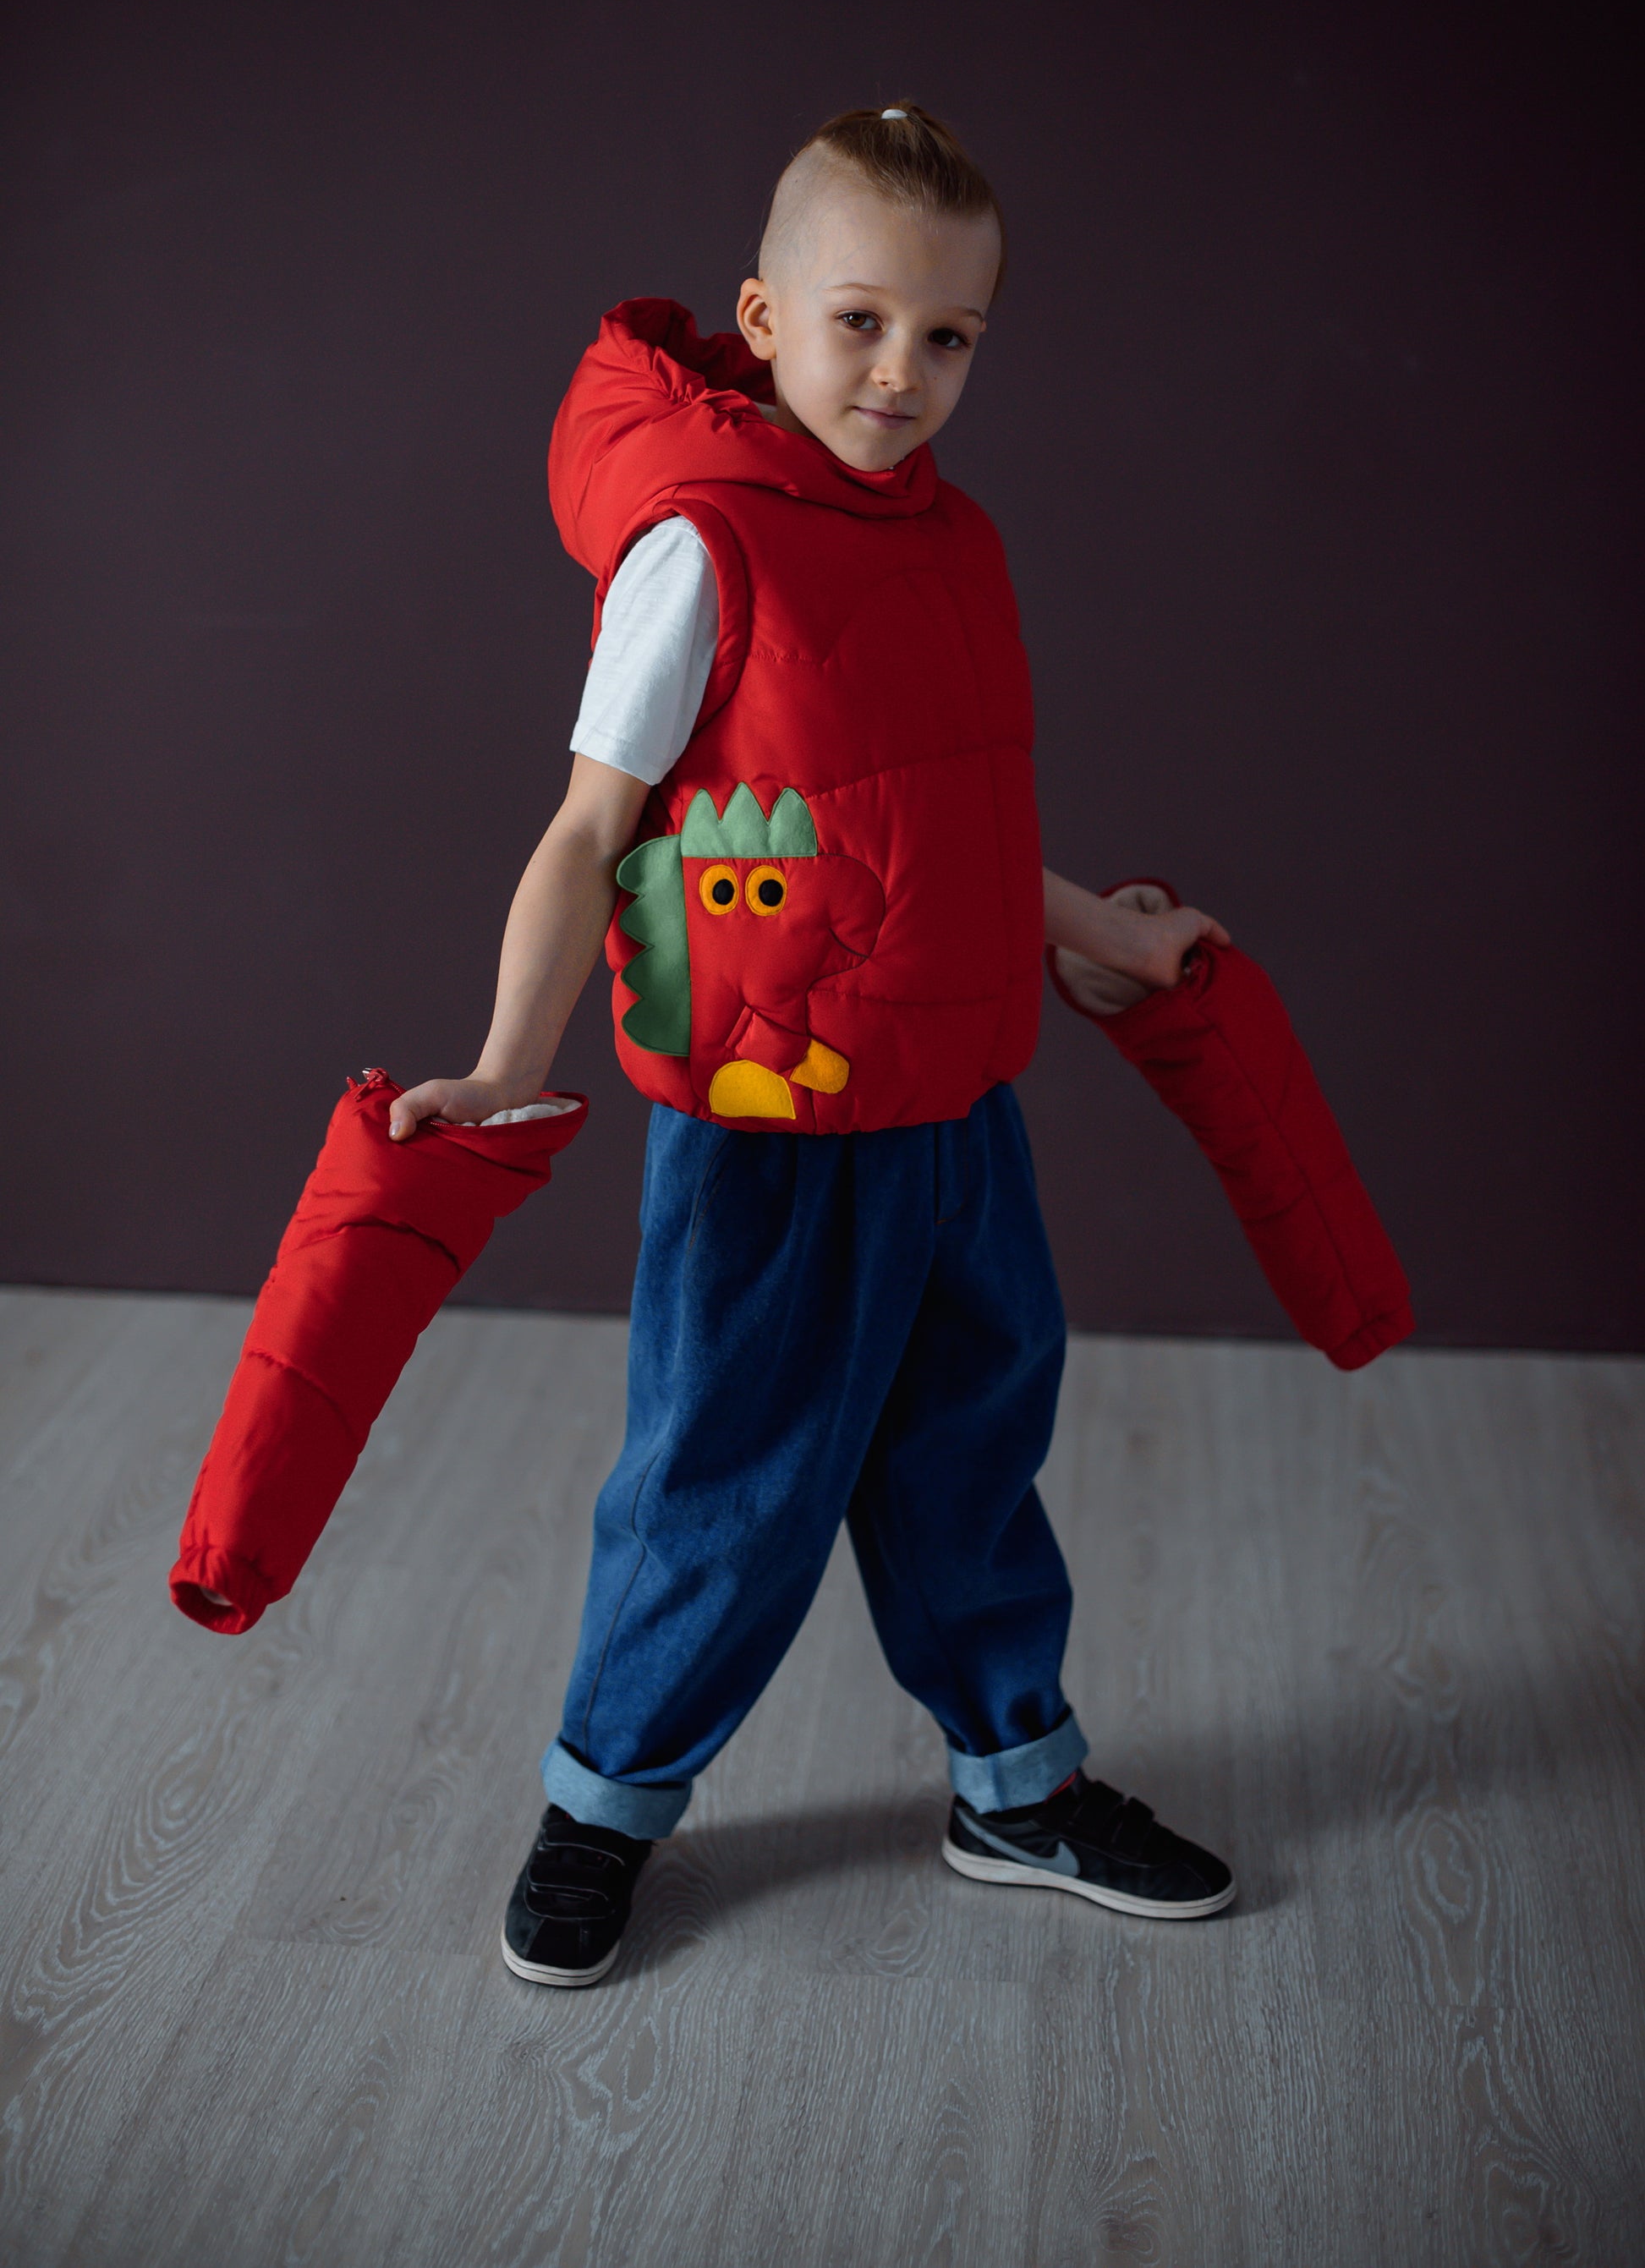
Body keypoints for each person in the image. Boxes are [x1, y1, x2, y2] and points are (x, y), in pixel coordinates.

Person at [390, 101, 1237, 1987]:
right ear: (765, 318)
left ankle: (1013, 1784)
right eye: (860, 322)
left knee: (970, 1451)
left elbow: (942, 832)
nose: (901, 371)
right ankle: (602, 1807)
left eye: (949, 336)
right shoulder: (702, 551)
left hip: (950, 1110)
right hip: (768, 1116)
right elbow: (586, 835)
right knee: (725, 1475)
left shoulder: (953, 544)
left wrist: (1109, 936)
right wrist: (504, 1061)